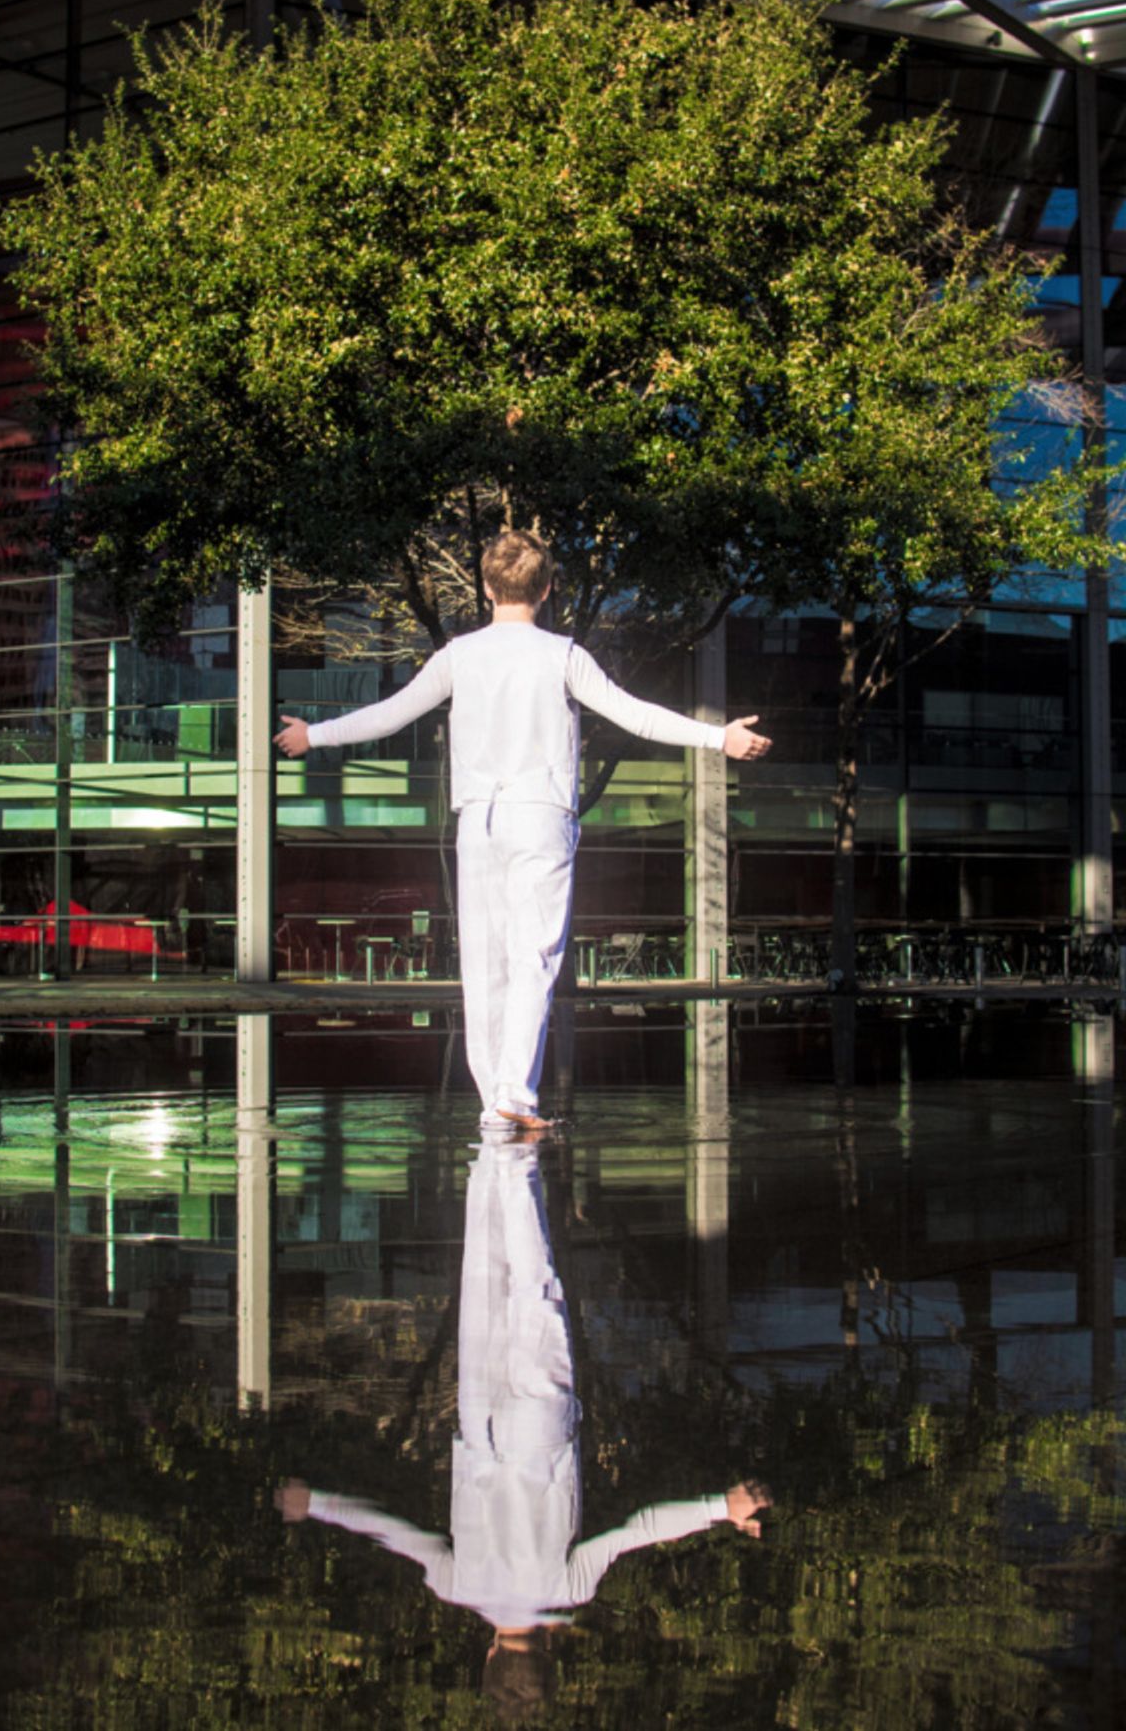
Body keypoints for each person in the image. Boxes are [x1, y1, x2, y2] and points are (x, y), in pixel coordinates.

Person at [275, 530, 770, 1128]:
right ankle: (514, 1094)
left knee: (484, 964)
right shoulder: (563, 655)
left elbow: (391, 714)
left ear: (486, 588)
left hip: (479, 819)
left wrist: (313, 735)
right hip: (540, 816)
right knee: (533, 955)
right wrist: (719, 737)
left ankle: (496, 1102)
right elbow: (634, 715)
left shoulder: (458, 655)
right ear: (548, 589)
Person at [275, 1130, 770, 1718]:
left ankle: (517, 1156)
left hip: (540, 1432)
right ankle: (490, 1153)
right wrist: (318, 1504)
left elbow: (638, 1530)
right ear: (488, 1655)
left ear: (548, 1655)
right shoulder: (457, 1587)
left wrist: (721, 1507)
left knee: (535, 1288)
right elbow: (390, 1532)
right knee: (484, 1275)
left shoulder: (569, 1590)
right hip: (478, 1426)